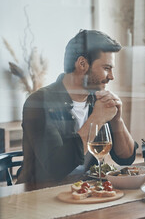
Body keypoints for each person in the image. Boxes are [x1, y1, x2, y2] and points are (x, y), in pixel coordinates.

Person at [17, 30, 137, 185]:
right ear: (82, 64)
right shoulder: (39, 102)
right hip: (41, 194)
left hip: (85, 190)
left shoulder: (97, 100)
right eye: (107, 68)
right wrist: (96, 119)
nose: (111, 76)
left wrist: (117, 120)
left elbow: (126, 158)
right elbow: (56, 168)